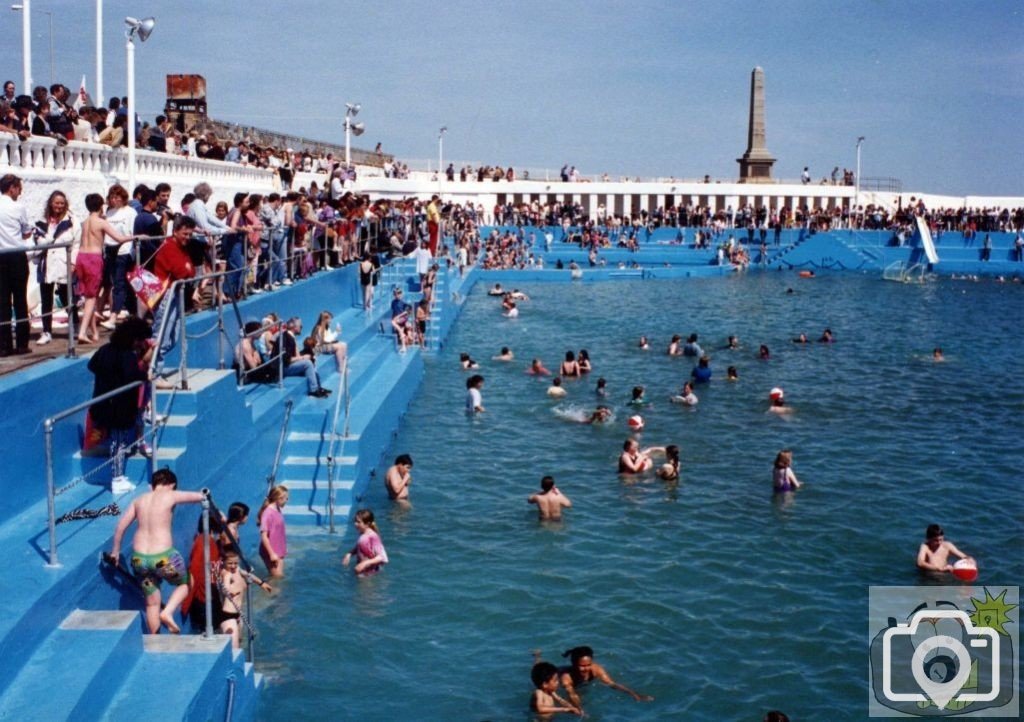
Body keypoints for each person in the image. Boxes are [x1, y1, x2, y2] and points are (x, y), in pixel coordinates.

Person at [109, 469, 206, 633]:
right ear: (172, 485)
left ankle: (155, 640)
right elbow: (199, 497)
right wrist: (205, 495)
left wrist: (115, 551)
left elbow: (120, 527)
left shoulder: (138, 500)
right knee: (187, 583)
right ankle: (167, 612)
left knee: (152, 603)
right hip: (163, 559)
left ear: (151, 486)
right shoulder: (171, 495)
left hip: (140, 561)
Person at [32, 190, 80, 346]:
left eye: (62, 203)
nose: (59, 206)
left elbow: (77, 243)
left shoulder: (72, 221)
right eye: (56, 202)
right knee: (46, 299)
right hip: (46, 265)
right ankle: (46, 331)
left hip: (64, 264)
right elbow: (37, 239)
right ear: (51, 203)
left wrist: (73, 262)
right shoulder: (42, 221)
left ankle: (74, 326)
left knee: (67, 297)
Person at [0, 174, 34, 356]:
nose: (20, 192)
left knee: (3, 302)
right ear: (11, 188)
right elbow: (26, 232)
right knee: (20, 300)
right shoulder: (18, 207)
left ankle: (4, 345)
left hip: (1, 256)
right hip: (16, 256)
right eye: (19, 188)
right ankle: (22, 344)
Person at [559, 645, 653, 706]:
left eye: (588, 665)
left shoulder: (596, 669)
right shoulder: (566, 677)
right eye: (582, 666)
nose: (586, 668)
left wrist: (633, 694)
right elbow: (571, 694)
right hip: (568, 684)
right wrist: (580, 709)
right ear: (573, 663)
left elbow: (611, 684)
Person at [218, 551, 272, 650]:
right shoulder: (227, 574)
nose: (233, 566)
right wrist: (229, 592)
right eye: (230, 563)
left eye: (236, 563)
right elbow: (225, 587)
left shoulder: (237, 570)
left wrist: (262, 583)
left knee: (239, 641)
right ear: (223, 562)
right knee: (234, 648)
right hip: (227, 615)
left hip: (238, 614)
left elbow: (249, 575)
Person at [342, 509, 389, 576]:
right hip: (361, 570)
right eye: (355, 521)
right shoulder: (362, 533)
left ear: (367, 524)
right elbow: (360, 547)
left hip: (370, 573)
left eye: (358, 522)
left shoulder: (373, 536)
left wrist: (365, 563)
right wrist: (349, 554)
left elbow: (382, 557)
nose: (355, 524)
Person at [258, 485, 289, 578]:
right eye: (286, 498)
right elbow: (264, 537)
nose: (287, 501)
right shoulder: (267, 513)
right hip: (271, 551)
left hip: (278, 550)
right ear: (279, 498)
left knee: (278, 578)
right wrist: (272, 554)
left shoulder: (277, 509)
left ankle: (277, 592)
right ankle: (267, 592)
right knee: (277, 578)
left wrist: (283, 548)